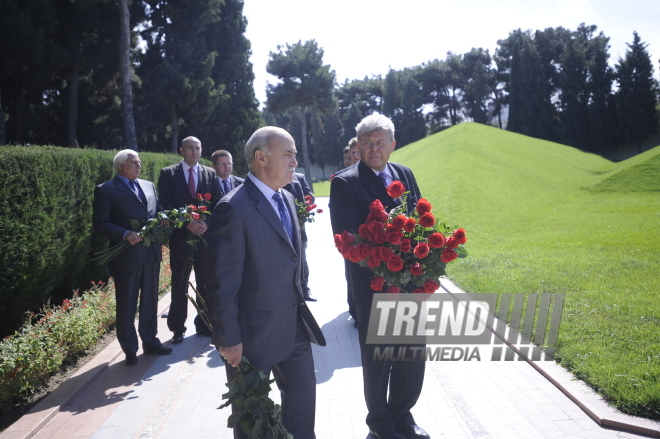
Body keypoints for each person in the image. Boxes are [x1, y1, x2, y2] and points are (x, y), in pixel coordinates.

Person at [205, 126, 322, 439]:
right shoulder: (233, 207)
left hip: (295, 329)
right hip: (252, 339)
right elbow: (221, 282)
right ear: (260, 157)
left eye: (295, 154)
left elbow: (295, 255)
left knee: (302, 412)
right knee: (251, 421)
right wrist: (228, 338)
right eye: (288, 154)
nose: (295, 161)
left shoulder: (287, 196)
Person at [329, 114, 429, 439]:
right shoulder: (345, 183)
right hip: (373, 287)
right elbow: (347, 241)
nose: (374, 149)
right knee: (378, 361)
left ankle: (403, 415)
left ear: (392, 145)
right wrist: (389, 263)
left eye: (380, 142)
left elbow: (422, 220)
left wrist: (420, 259)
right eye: (367, 143)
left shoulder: (406, 174)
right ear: (358, 146)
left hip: (410, 286)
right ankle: (380, 426)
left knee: (411, 356)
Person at [93, 150, 172, 365]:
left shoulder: (148, 185)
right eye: (132, 163)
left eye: (139, 162)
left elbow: (158, 210)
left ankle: (150, 340)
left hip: (151, 253)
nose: (138, 166)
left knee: (150, 300)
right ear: (120, 166)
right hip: (127, 256)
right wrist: (124, 233)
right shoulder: (106, 190)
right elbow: (100, 223)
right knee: (127, 302)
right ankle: (129, 347)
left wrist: (164, 219)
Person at [158, 136, 222, 343]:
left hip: (204, 239)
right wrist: (187, 223)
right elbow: (164, 205)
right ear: (182, 150)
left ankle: (204, 324)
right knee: (180, 283)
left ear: (201, 150)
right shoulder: (168, 174)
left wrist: (207, 224)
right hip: (180, 239)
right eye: (189, 148)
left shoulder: (210, 174)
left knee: (205, 283)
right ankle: (177, 328)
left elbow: (219, 205)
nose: (194, 152)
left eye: (197, 148)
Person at [283, 177, 316, 302]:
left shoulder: (296, 183)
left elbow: (304, 202)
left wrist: (304, 209)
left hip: (297, 229)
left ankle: (304, 289)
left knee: (301, 259)